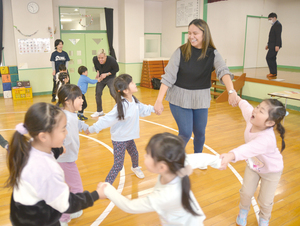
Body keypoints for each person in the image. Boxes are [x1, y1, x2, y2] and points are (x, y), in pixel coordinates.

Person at [5, 103, 102, 226]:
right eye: (63, 129)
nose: (66, 133)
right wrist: (96, 195)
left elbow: (45, 155)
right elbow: (67, 204)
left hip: (21, 212)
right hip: (37, 219)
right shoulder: (47, 170)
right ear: (43, 136)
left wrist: (59, 150)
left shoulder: (29, 145)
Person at [97, 132, 221, 226]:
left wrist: (107, 189)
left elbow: (130, 206)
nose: (144, 156)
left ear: (161, 167)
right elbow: (201, 158)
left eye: (148, 155)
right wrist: (219, 162)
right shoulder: (176, 163)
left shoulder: (165, 196)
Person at [154, 19, 239, 153]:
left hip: (201, 99)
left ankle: (198, 158)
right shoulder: (180, 52)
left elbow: (223, 71)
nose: (191, 36)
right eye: (189, 33)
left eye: (195, 33)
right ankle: (173, 160)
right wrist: (159, 101)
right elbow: (168, 76)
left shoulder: (213, 54)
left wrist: (231, 91)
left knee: (200, 133)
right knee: (186, 133)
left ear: (205, 34)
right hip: (179, 98)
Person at [219, 97, 286, 226]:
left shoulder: (266, 139)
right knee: (246, 192)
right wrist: (237, 99)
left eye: (261, 111)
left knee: (265, 201)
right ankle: (243, 212)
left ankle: (264, 219)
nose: (255, 111)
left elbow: (247, 149)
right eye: (258, 107)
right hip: (254, 165)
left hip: (271, 171)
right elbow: (246, 106)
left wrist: (230, 155)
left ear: (270, 123)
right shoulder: (252, 117)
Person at [87, 74, 154, 184]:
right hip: (119, 139)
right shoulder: (122, 106)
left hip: (129, 136)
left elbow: (143, 108)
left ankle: (135, 167)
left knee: (135, 154)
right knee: (118, 165)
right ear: (126, 90)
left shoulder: (134, 101)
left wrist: (153, 109)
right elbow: (107, 119)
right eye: (131, 83)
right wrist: (93, 128)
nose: (134, 83)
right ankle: (107, 185)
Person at [56, 84, 90, 225]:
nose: (82, 100)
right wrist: (63, 144)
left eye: (81, 97)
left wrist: (84, 126)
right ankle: (63, 218)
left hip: (65, 158)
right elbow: (66, 136)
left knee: (70, 186)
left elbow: (75, 123)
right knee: (76, 189)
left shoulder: (68, 114)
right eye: (79, 98)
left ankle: (73, 210)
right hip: (66, 159)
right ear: (67, 100)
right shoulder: (67, 118)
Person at [91, 49, 119, 118]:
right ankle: (99, 111)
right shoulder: (95, 59)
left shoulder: (111, 60)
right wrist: (98, 73)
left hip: (110, 77)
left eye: (102, 58)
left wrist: (106, 74)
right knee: (98, 93)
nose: (100, 59)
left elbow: (116, 69)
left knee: (113, 92)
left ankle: (120, 109)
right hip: (101, 77)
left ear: (105, 57)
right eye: (99, 58)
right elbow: (97, 67)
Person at [265, 13, 282, 78]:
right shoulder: (274, 25)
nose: (269, 20)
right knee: (272, 58)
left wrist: (277, 45)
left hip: (275, 45)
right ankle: (274, 73)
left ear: (274, 18)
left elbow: (278, 36)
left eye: (270, 19)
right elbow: (271, 37)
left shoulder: (278, 25)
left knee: (269, 57)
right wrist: (267, 44)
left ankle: (272, 72)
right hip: (272, 45)